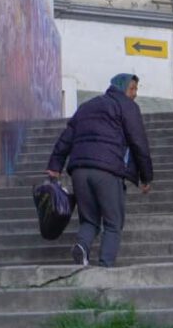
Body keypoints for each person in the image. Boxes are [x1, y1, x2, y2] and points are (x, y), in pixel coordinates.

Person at [46, 73, 153, 267]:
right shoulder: (127, 106)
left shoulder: (87, 106)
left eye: (136, 89)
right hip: (107, 171)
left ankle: (82, 246)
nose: (135, 94)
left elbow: (66, 137)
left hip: (79, 171)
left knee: (89, 219)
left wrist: (55, 165)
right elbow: (139, 142)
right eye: (132, 88)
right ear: (121, 88)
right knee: (113, 222)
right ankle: (105, 265)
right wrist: (146, 177)